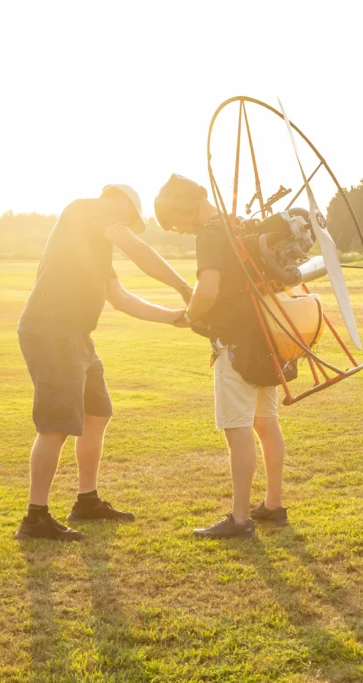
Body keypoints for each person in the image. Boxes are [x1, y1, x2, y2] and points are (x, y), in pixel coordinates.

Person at [15, 184, 193, 541]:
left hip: (77, 335)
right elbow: (138, 249)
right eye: (127, 217)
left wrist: (173, 317)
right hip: (52, 330)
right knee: (55, 424)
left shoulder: (95, 249)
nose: (126, 225)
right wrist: (184, 287)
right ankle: (35, 518)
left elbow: (120, 297)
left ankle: (86, 501)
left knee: (97, 413)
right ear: (118, 202)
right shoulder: (89, 208)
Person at [154, 174, 290, 539]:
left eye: (176, 222)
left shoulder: (210, 233)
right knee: (266, 422)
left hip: (236, 344)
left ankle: (241, 518)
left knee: (238, 429)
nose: (180, 231)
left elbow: (208, 288)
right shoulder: (237, 224)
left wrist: (191, 315)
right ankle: (273, 505)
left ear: (184, 204)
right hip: (267, 339)